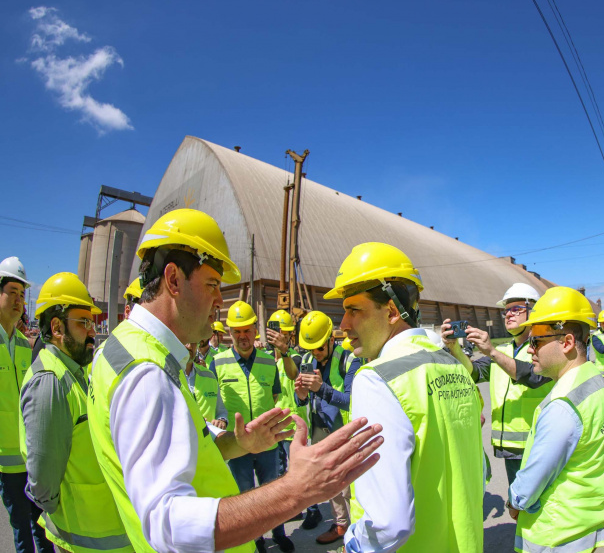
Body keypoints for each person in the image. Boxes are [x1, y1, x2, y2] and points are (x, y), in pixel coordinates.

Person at [86, 208, 383, 553]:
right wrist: (296, 489)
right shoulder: (147, 372)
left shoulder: (122, 347)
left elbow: (181, 454)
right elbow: (169, 525)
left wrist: (238, 444)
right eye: (212, 285)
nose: (219, 302)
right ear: (173, 279)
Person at [327, 242, 484, 553]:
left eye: (353, 310)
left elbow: (389, 523)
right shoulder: (453, 365)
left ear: (392, 311)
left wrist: (355, 545)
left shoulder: (376, 379)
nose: (343, 325)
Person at [19, 273, 131, 552]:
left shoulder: (74, 372)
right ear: (57, 328)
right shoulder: (50, 382)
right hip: (83, 537)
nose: (93, 331)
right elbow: (43, 481)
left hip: (104, 532)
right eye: (84, 322)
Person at [506, 287, 604, 553]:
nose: (529, 351)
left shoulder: (564, 405)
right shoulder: (596, 383)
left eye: (536, 342)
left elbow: (534, 478)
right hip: (584, 525)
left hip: (557, 535)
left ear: (567, 342)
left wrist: (514, 502)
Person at [442, 282, 554, 494]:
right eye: (506, 311)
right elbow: (473, 372)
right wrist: (454, 348)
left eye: (516, 309)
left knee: (539, 508)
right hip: (510, 448)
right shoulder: (503, 350)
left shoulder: (545, 348)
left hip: (537, 447)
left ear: (534, 311)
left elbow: (532, 376)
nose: (508, 315)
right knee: (520, 509)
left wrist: (491, 351)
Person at [212, 300, 294, 553]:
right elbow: (214, 403)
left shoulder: (269, 362)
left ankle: (278, 533)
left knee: (272, 489)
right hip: (236, 444)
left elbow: (275, 395)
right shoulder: (218, 363)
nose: (242, 336)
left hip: (267, 440)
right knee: (244, 493)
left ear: (255, 330)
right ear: (229, 333)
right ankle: (255, 539)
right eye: (237, 331)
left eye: (246, 330)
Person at [0, 257, 54, 553]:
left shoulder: (25, 346)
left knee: (43, 529)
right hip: (6, 462)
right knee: (22, 530)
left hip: (32, 459)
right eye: (12, 292)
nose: (19, 301)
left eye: (23, 295)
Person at [294, 310, 361, 545]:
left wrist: (321, 388)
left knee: (350, 485)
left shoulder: (350, 360)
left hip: (345, 432)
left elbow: (350, 400)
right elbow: (303, 400)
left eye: (320, 348)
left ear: (331, 339)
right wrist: (301, 395)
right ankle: (341, 525)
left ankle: (358, 530)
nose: (315, 353)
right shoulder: (306, 361)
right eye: (310, 348)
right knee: (331, 483)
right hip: (320, 430)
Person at [266, 310, 307, 510]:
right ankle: (287, 507)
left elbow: (293, 375)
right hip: (274, 425)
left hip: (292, 423)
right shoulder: (265, 359)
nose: (277, 336)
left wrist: (284, 352)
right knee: (280, 472)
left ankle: (312, 510)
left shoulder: (296, 358)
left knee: (299, 470)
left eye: (282, 333)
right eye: (275, 332)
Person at [185, 342, 228, 428]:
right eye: (185, 341)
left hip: (209, 439)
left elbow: (221, 410)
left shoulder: (209, 376)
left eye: (193, 342)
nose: (189, 346)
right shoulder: (167, 374)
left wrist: (221, 421)